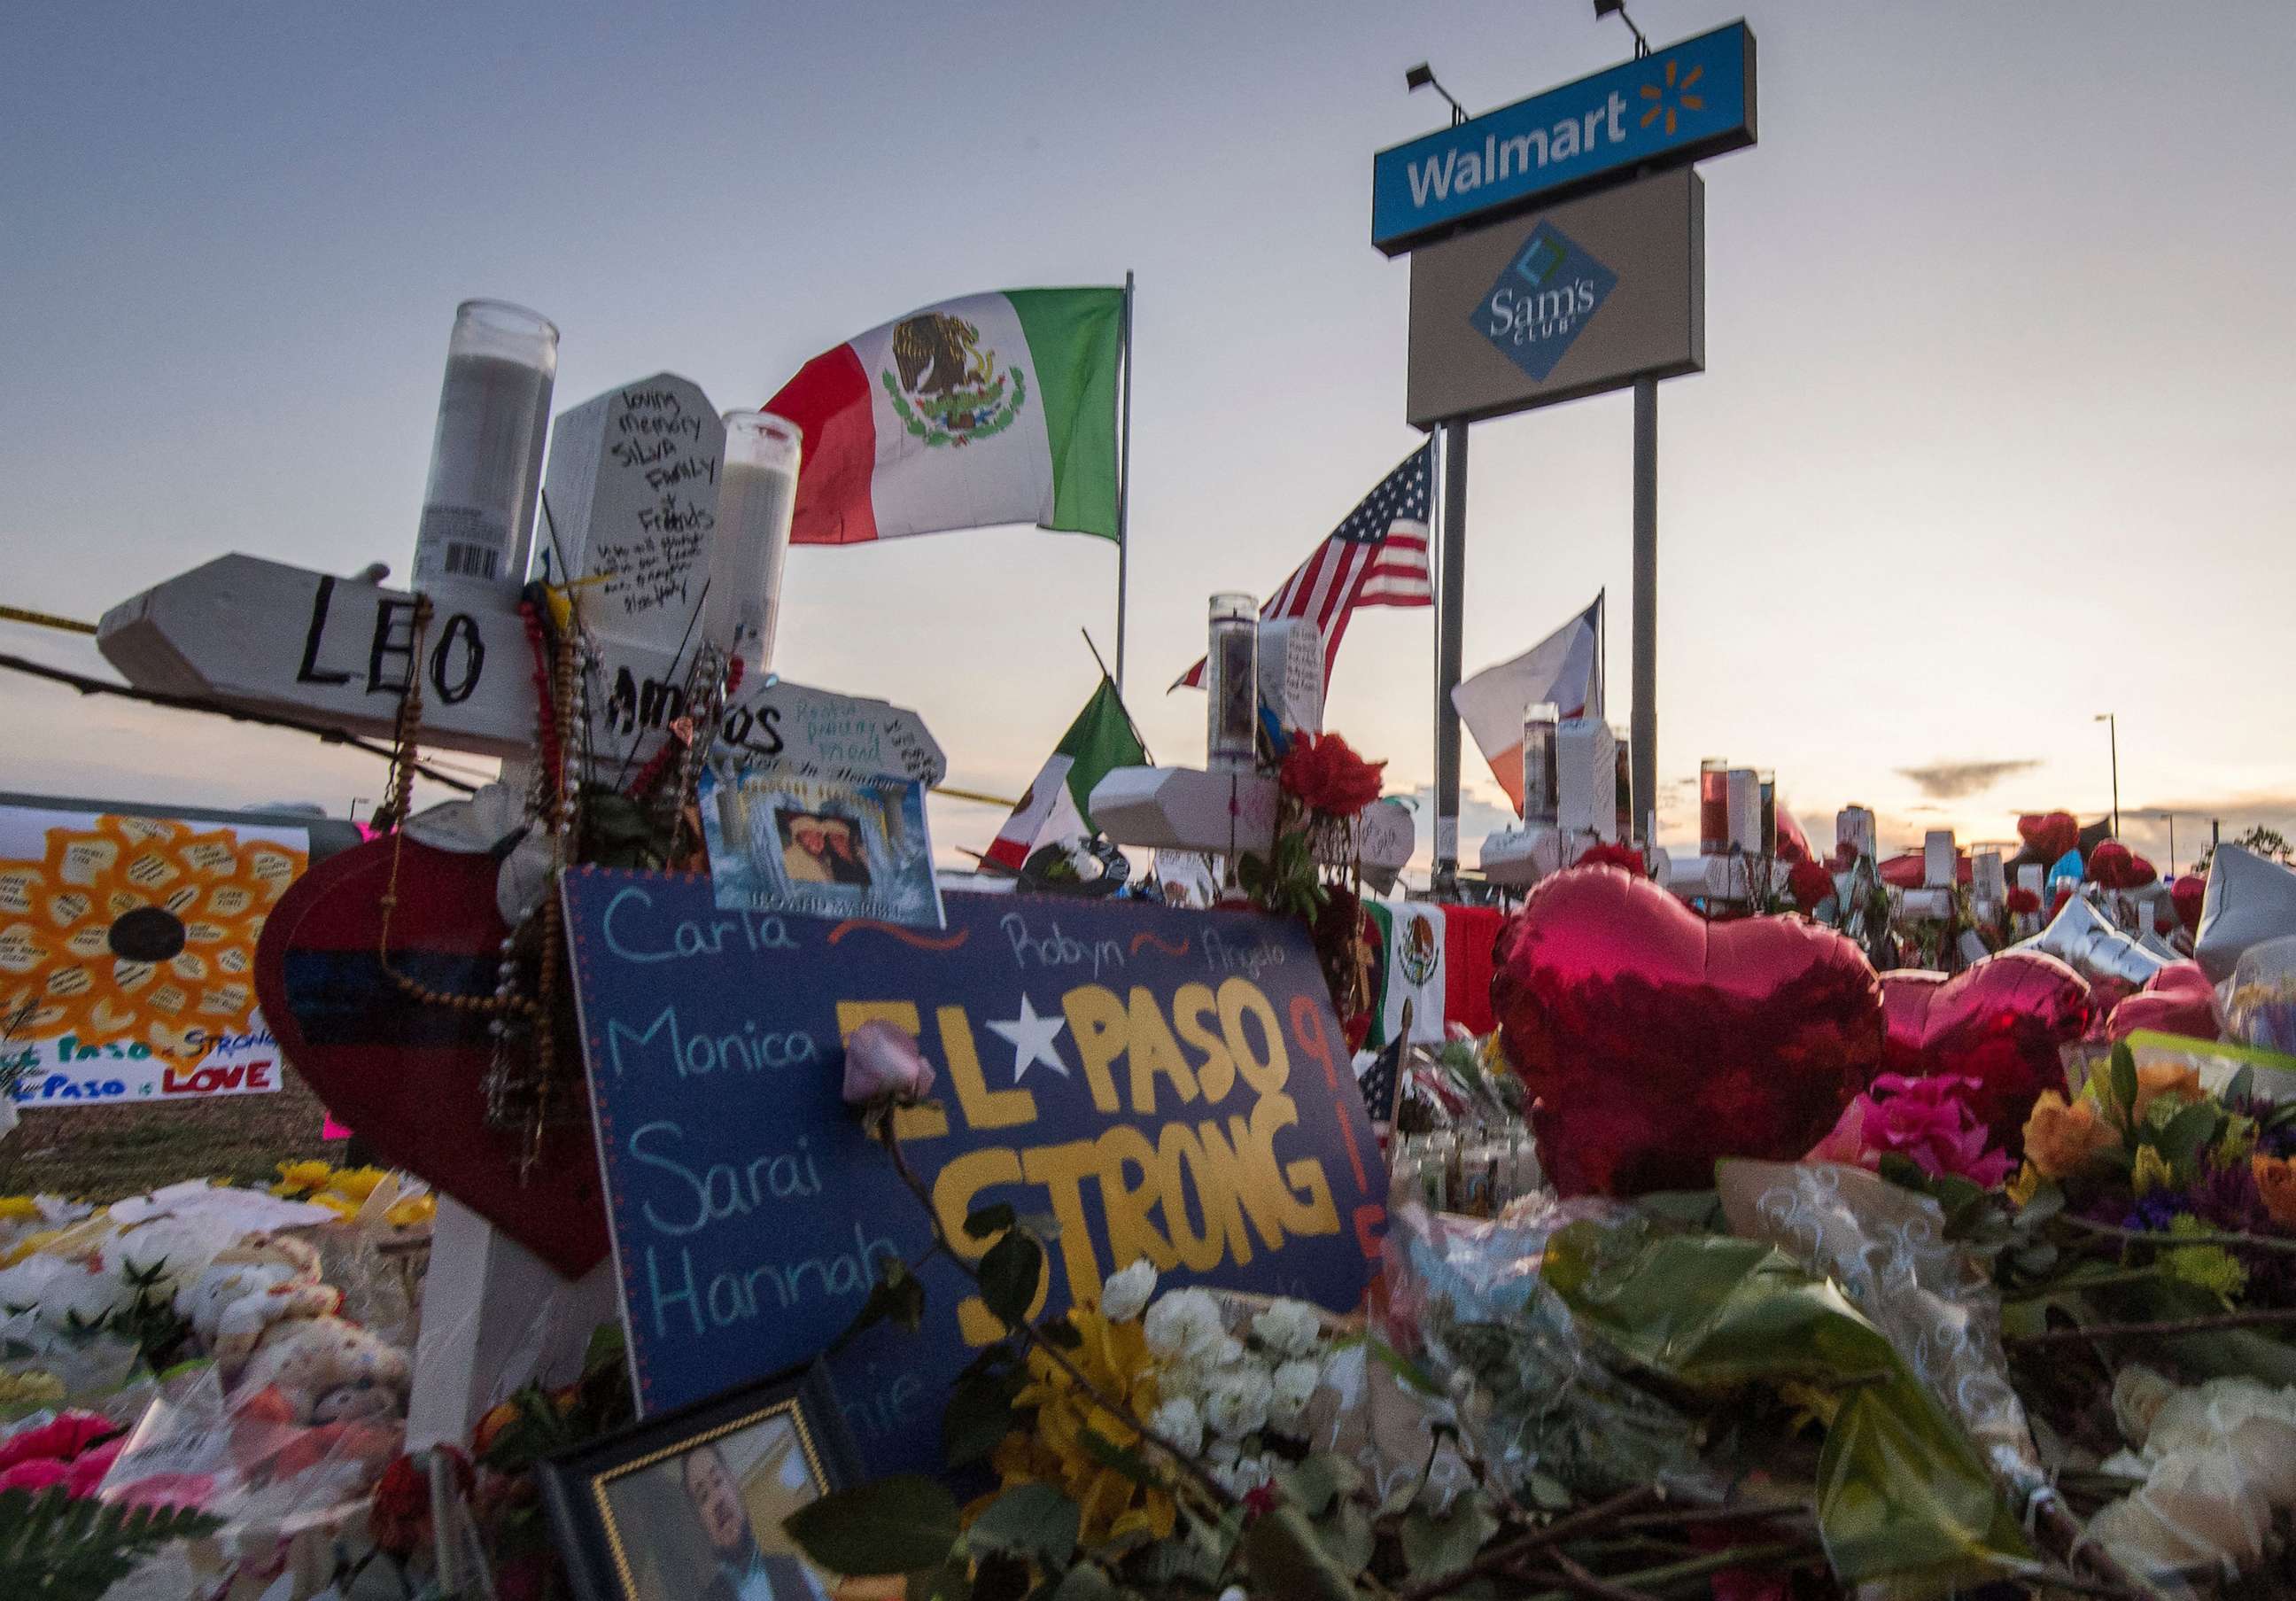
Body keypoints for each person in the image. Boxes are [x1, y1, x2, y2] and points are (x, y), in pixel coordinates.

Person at [679, 1444, 825, 1601]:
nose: (717, 1500)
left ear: (734, 1486)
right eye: (703, 1496)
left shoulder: (795, 1571)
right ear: (700, 1523)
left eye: (717, 1481)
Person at [780, 813, 834, 884]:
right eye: (808, 834)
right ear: (797, 838)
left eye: (819, 835)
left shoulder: (825, 861)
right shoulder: (789, 859)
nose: (816, 839)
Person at [818, 817, 872, 887]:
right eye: (832, 838)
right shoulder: (834, 864)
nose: (836, 841)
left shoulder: (862, 850)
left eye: (839, 836)